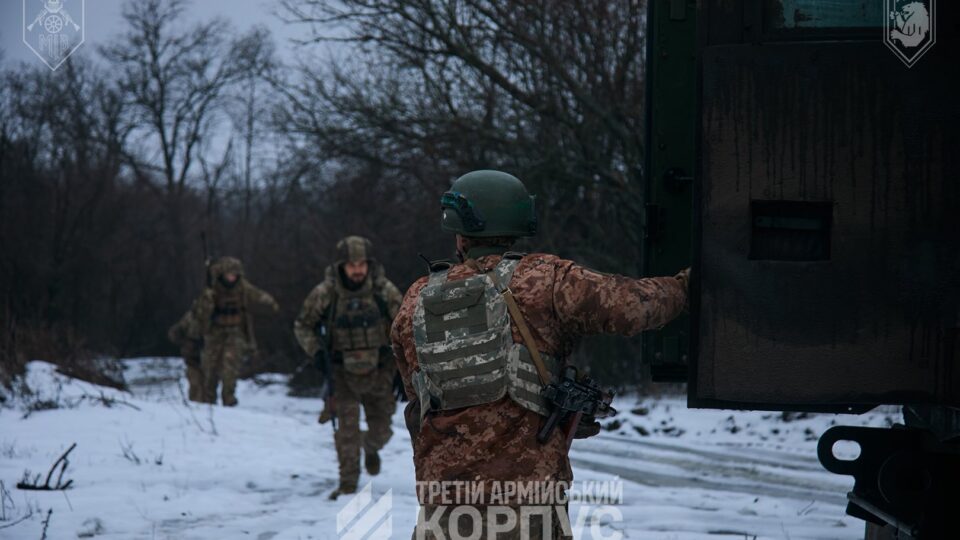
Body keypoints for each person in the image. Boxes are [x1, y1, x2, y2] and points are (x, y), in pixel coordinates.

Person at [389, 170, 690, 538]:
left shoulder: (416, 299)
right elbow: (634, 307)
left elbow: (417, 397)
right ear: (518, 222)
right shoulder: (544, 279)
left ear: (460, 234)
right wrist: (685, 285)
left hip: (443, 505)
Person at [294, 236, 404, 500]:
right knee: (346, 434)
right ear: (342, 265)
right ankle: (347, 488)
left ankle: (369, 446)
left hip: (380, 371)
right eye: (351, 264)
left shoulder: (383, 290)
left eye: (362, 264)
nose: (357, 270)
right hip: (341, 373)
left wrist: (404, 367)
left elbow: (405, 325)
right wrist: (317, 352)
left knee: (383, 429)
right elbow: (302, 325)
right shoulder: (326, 293)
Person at [191, 256, 279, 406]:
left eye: (235, 274)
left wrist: (271, 303)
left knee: (230, 368)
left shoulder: (242, 287)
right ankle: (209, 400)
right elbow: (200, 313)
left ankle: (228, 399)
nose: (232, 277)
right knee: (210, 369)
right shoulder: (213, 289)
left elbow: (257, 295)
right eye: (229, 274)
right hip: (215, 333)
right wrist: (207, 300)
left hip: (235, 332)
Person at [166, 305, 204, 402]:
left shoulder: (214, 317)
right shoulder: (190, 317)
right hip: (192, 357)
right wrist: (185, 342)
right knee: (195, 383)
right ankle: (196, 405)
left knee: (206, 385)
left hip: (208, 357)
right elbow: (174, 333)